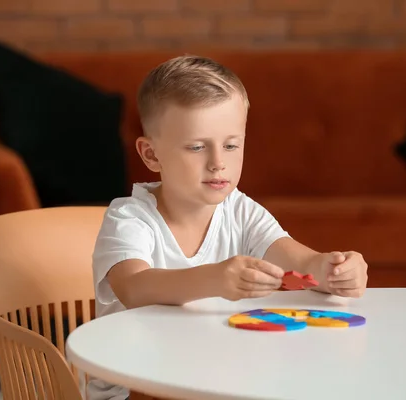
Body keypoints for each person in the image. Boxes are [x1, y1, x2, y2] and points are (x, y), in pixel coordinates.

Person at [89, 55, 368, 400]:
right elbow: (134, 288)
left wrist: (333, 270)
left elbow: (300, 260)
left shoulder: (240, 210)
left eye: (231, 145)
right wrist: (216, 279)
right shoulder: (129, 219)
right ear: (151, 155)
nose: (218, 162)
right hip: (136, 391)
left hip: (216, 384)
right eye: (196, 147)